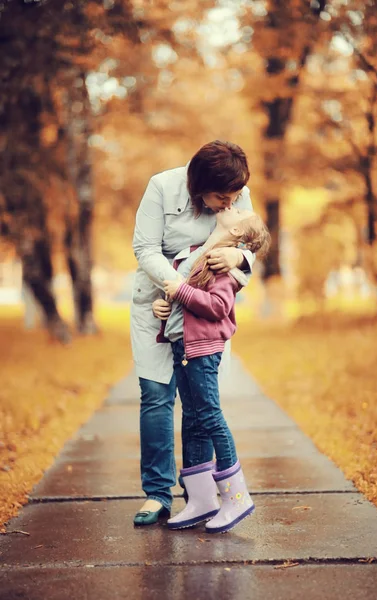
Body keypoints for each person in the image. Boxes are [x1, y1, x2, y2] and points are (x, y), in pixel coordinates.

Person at [131, 141, 255, 526]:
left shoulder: (237, 192)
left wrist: (239, 257)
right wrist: (175, 288)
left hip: (202, 317)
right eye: (222, 197)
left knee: (200, 402)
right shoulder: (162, 187)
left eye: (235, 197)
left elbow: (250, 240)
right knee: (156, 394)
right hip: (161, 302)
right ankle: (156, 492)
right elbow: (145, 248)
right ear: (198, 183)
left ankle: (199, 495)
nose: (229, 204)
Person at [160, 207, 270, 533]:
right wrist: (166, 305)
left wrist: (181, 291)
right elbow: (186, 299)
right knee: (192, 420)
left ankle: (236, 497)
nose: (232, 206)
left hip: (204, 349)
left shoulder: (224, 261)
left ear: (237, 234)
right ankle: (201, 500)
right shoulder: (204, 251)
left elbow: (220, 307)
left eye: (239, 211)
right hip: (184, 346)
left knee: (209, 417)